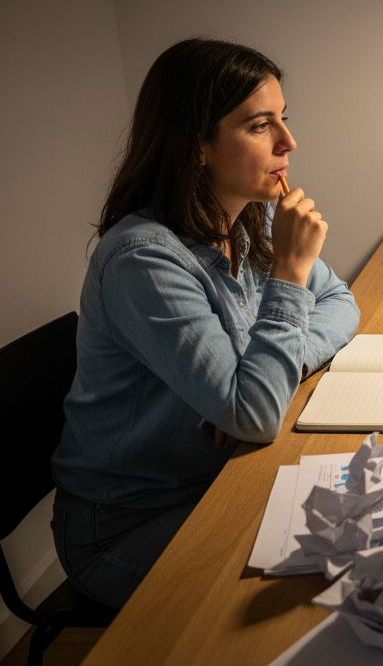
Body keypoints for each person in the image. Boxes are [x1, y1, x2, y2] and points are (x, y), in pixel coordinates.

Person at [50, 38, 360, 608]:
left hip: (226, 476)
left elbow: (342, 302)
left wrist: (267, 375)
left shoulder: (254, 216)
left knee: (371, 522)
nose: (289, 143)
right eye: (260, 125)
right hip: (130, 524)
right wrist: (290, 277)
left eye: (283, 120)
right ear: (198, 145)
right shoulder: (143, 260)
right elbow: (255, 415)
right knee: (327, 581)